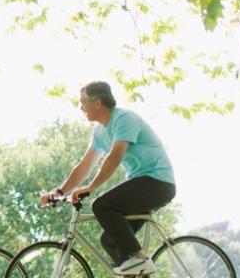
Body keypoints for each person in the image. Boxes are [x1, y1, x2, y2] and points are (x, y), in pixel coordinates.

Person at [40, 81, 176, 275]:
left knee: (101, 205)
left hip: (158, 183)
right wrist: (59, 192)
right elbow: (84, 166)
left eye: (83, 102)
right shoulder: (99, 132)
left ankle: (139, 259)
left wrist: (91, 187)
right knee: (109, 241)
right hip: (141, 184)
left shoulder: (124, 119)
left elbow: (115, 156)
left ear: (97, 103)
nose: (81, 107)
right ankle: (140, 272)